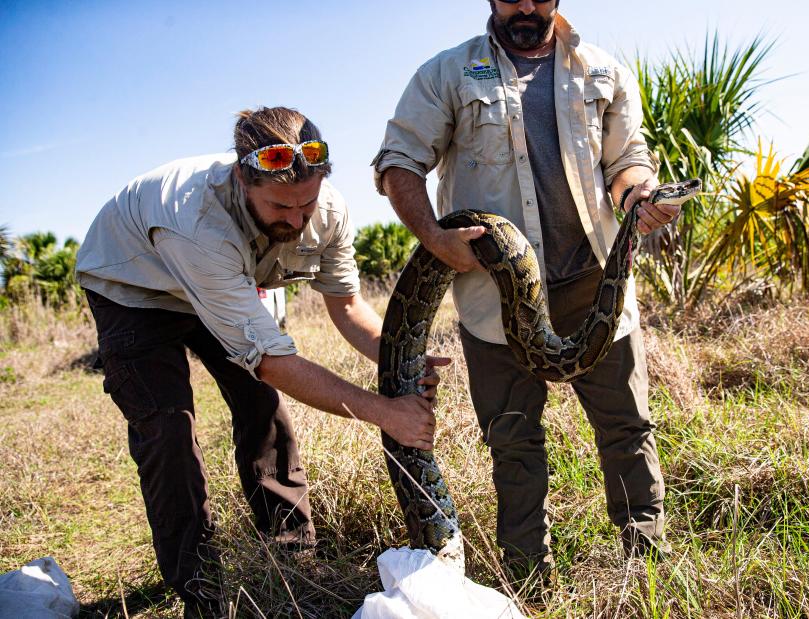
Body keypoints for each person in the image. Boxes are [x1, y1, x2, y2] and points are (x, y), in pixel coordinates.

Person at [76, 106, 447, 617]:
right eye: (278, 207)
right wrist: (386, 412)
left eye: (307, 204)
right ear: (240, 180)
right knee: (169, 432)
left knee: (265, 411)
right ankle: (201, 591)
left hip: (232, 284)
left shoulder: (328, 210)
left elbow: (346, 305)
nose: (295, 221)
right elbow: (271, 360)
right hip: (137, 291)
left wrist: (402, 354)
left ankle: (294, 558)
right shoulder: (197, 221)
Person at [373, 0, 682, 587]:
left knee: (627, 427)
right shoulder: (449, 72)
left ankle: (645, 567)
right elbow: (399, 161)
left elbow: (627, 160)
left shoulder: (600, 70)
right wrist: (433, 237)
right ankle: (527, 578)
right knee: (513, 440)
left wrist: (640, 193)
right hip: (494, 295)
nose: (525, 6)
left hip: (595, 281)